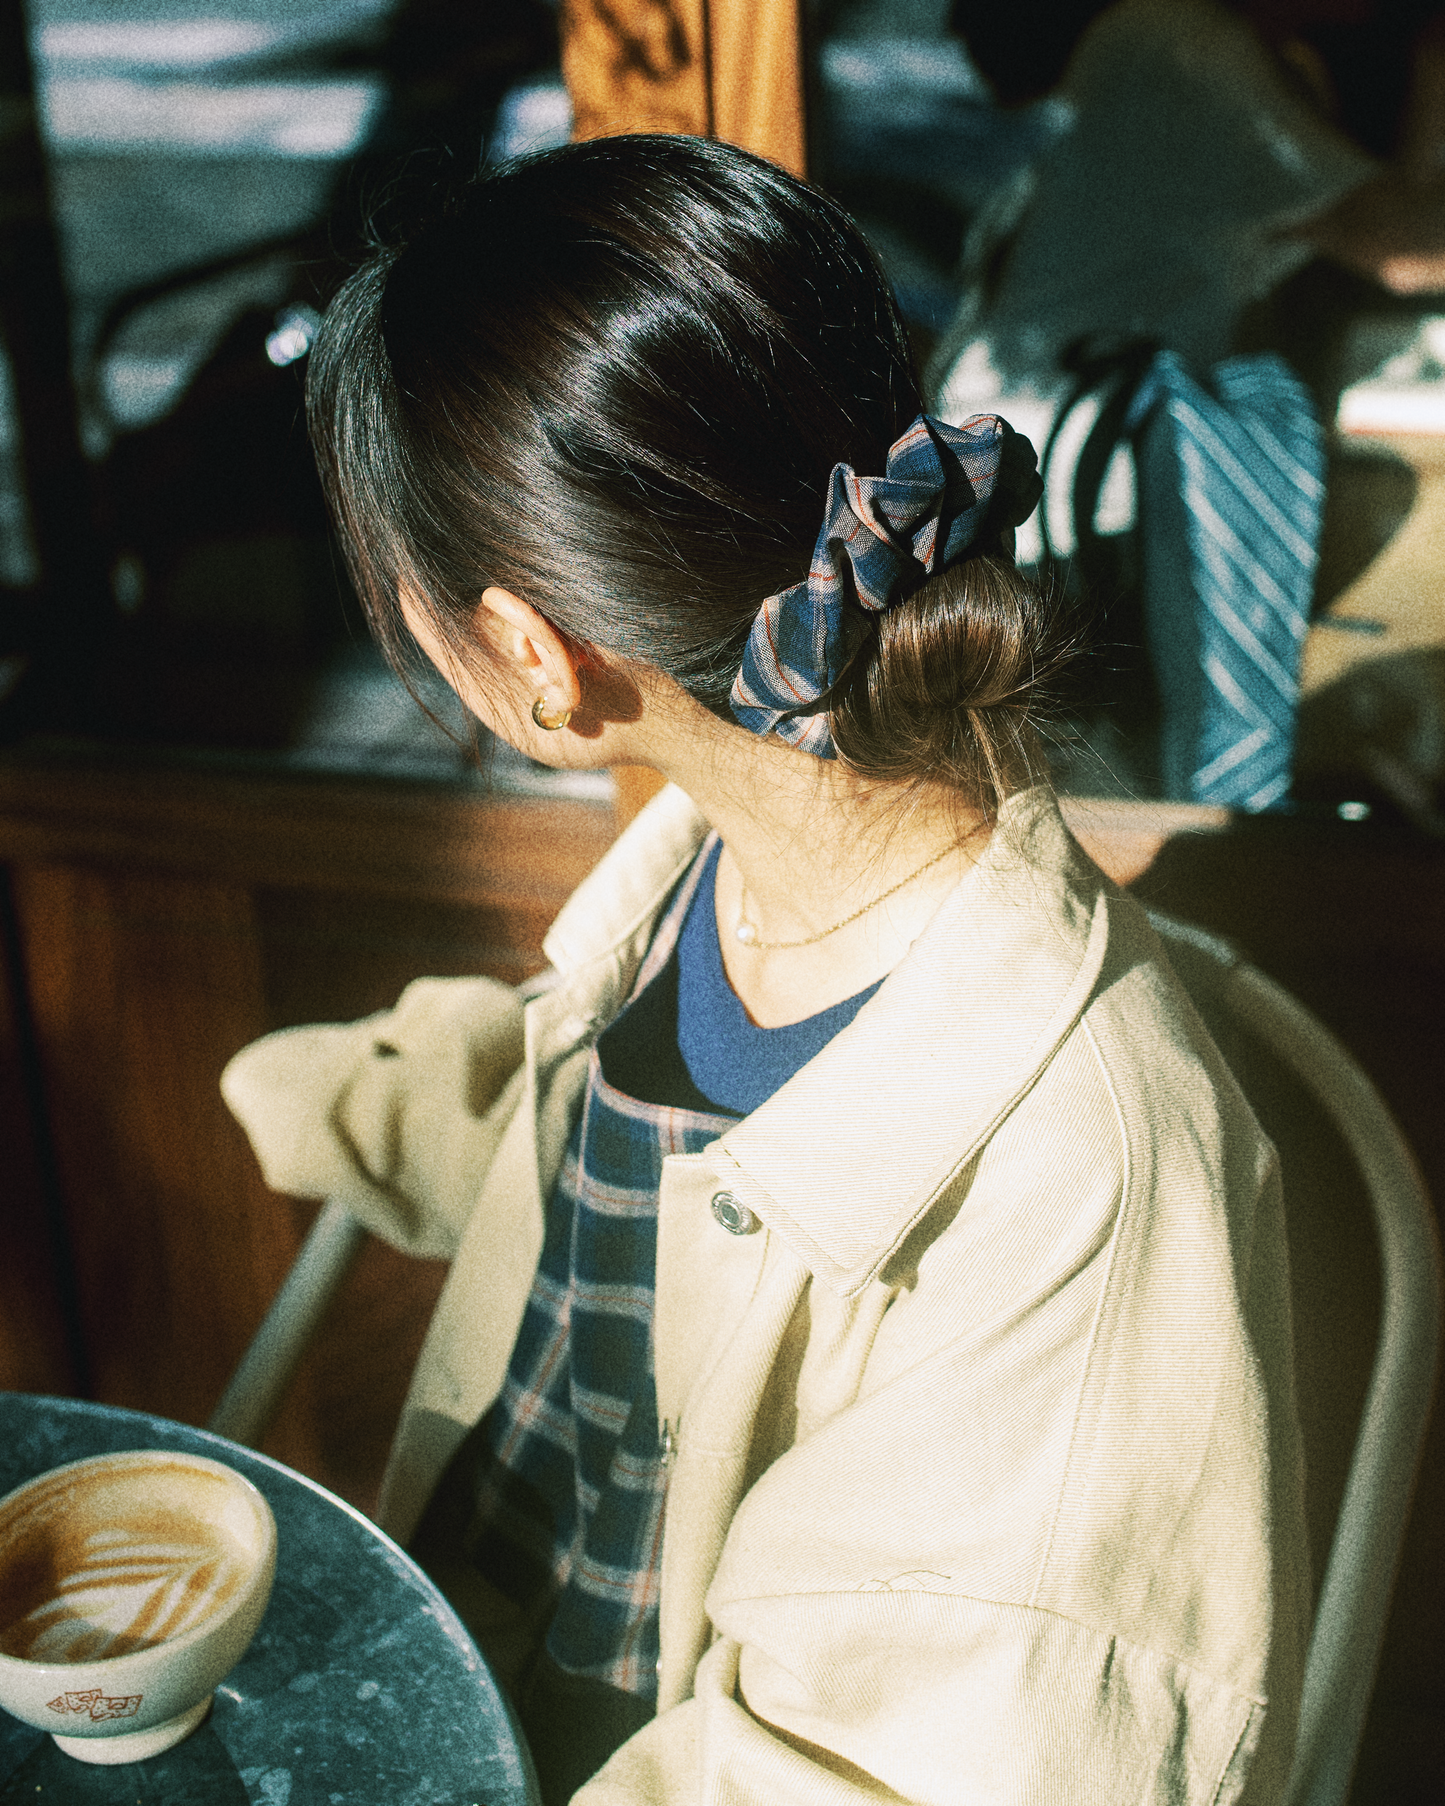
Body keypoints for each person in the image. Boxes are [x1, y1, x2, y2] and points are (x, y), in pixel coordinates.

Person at [221, 134, 1309, 1805]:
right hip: (502, 1673)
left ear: (531, 661)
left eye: (415, 604)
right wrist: (390, 1106)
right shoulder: (736, 871)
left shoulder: (1083, 1195)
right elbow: (651, 1187)